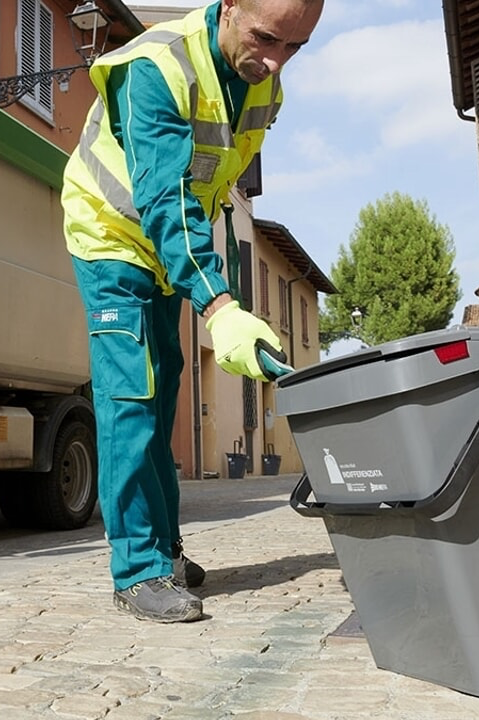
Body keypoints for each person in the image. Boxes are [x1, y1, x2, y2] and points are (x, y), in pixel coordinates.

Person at [61, 0, 324, 623]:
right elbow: (166, 195)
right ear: (229, 6)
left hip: (164, 251)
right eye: (266, 38)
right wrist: (221, 302)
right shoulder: (155, 68)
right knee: (131, 399)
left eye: (295, 47)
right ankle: (137, 571)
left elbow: (214, 193)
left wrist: (215, 286)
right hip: (111, 238)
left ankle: (166, 550)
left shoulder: (263, 85)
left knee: (162, 395)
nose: (276, 61)